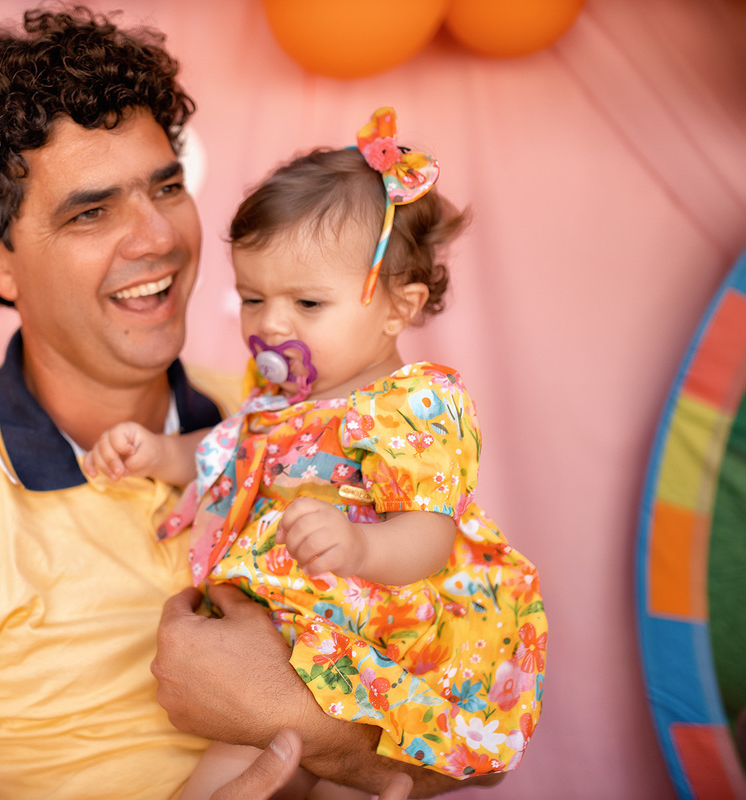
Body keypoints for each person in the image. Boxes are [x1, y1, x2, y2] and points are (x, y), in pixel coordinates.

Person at [0, 6, 509, 798]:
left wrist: (305, 723)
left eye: (167, 186)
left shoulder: (295, 421)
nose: (158, 236)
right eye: (91, 211)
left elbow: (481, 719)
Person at [85, 108, 548, 798]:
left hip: (382, 644)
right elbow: (232, 455)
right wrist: (156, 453)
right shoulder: (278, 394)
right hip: (286, 639)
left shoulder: (416, 405)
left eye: (307, 303)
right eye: (252, 298)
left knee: (346, 781)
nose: (271, 323)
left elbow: (429, 536)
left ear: (398, 308)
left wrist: (359, 547)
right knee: (232, 767)